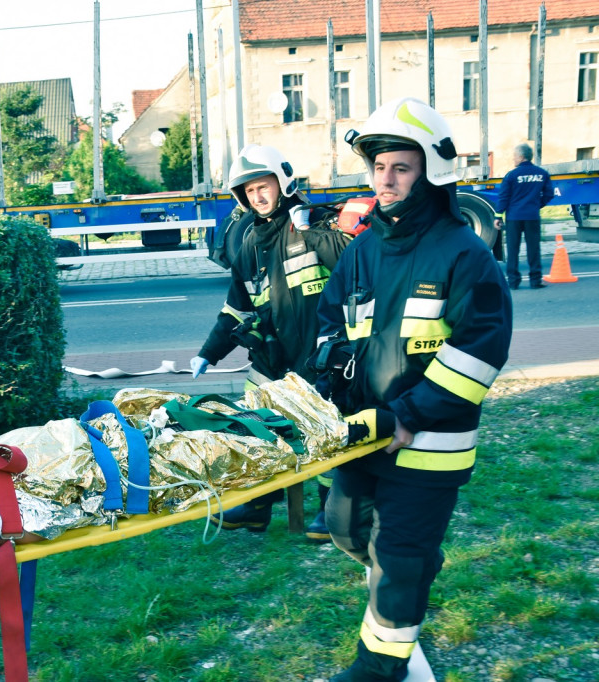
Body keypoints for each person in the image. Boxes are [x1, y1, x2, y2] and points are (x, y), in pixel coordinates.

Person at [316, 97, 513, 681]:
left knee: (397, 560)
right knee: (345, 528)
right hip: (361, 434)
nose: (386, 179)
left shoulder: (465, 253)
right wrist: (323, 386)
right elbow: (333, 322)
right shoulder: (364, 248)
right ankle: (415, 561)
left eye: (400, 167)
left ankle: (379, 667)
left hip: (427, 445)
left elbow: (479, 352)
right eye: (379, 168)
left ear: (430, 171)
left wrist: (405, 416)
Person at [191, 144, 352, 537]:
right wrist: (208, 354)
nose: (258, 197)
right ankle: (259, 505)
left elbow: (353, 265)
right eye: (249, 192)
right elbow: (236, 309)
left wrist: (314, 230)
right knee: (256, 428)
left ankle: (329, 509)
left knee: (323, 431)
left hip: (316, 354)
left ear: (283, 184)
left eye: (263, 186)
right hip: (271, 358)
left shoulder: (311, 226)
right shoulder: (249, 246)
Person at [495, 142, 554, 290]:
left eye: (514, 156)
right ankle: (535, 281)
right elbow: (549, 194)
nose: (513, 159)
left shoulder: (511, 175)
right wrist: (537, 205)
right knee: (533, 249)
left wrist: (498, 216)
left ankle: (513, 282)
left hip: (514, 217)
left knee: (513, 249)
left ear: (521, 157)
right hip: (532, 216)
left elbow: (504, 197)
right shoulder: (542, 173)